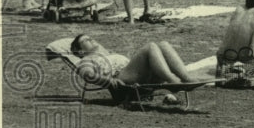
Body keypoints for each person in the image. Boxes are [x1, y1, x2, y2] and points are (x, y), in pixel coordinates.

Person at [69, 34, 200, 104]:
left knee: (163, 45)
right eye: (86, 40)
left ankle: (186, 79)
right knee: (150, 47)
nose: (91, 39)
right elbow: (88, 75)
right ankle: (173, 82)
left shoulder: (107, 54)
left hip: (135, 75)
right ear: (79, 50)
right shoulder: (84, 61)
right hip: (122, 83)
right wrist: (108, 81)